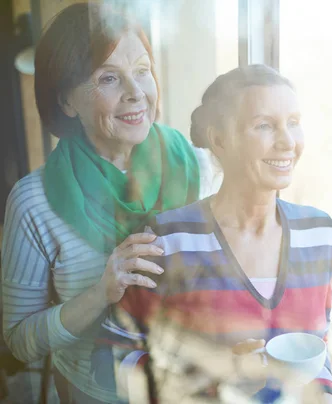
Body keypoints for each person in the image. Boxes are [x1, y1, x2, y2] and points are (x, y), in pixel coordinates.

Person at [95, 65, 332, 403]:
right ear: (220, 139)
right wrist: (218, 377)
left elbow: (317, 351)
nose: (287, 142)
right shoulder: (167, 241)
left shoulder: (319, 234)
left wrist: (326, 396)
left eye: (294, 123)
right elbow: (120, 364)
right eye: (265, 125)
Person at [1, 3, 205, 403]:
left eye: (143, 71)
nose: (136, 93)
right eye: (108, 78)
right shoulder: (32, 202)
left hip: (192, 384)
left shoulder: (196, 164)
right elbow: (18, 342)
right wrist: (101, 292)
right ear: (67, 102)